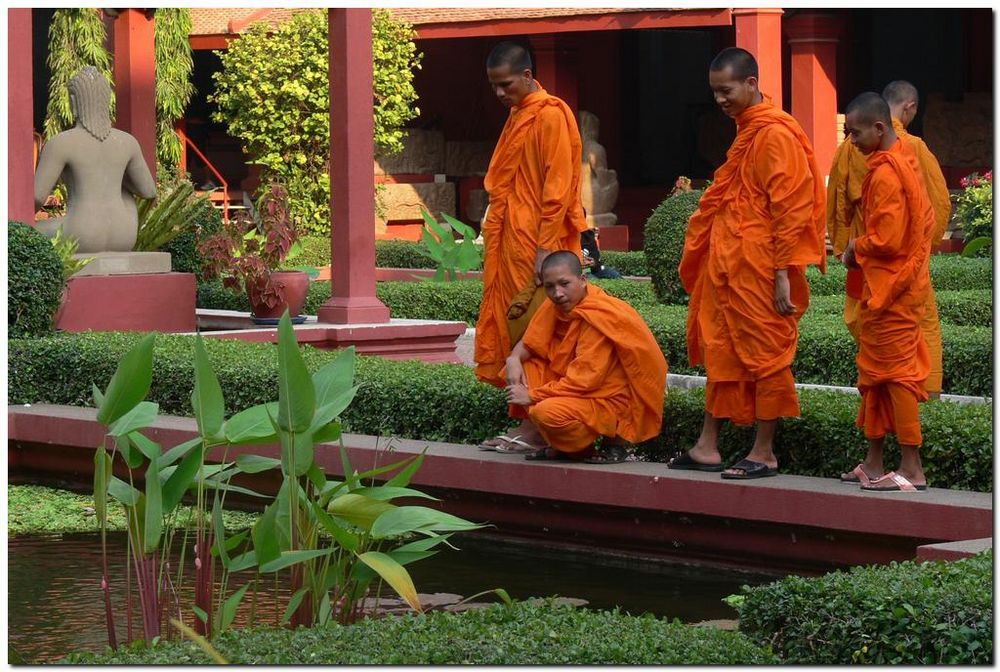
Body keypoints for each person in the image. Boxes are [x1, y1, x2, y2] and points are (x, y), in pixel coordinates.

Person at [667, 47, 826, 479]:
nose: (720, 99)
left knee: (766, 356)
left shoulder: (774, 133)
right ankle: (707, 444)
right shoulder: (747, 130)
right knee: (722, 349)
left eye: (726, 90)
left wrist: (781, 276)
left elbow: (789, 208)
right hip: (730, 265)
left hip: (759, 267)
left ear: (751, 84)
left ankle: (765, 450)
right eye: (715, 92)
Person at [475, 42, 589, 450]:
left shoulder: (550, 115)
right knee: (515, 329)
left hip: (539, 246)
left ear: (527, 76)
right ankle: (527, 419)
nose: (500, 93)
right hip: (511, 241)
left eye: (505, 84)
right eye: (493, 86)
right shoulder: (518, 115)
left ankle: (540, 427)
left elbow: (556, 187)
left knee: (541, 334)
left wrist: (544, 251)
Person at [827, 80, 951, 400]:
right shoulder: (915, 148)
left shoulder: (846, 150)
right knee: (920, 324)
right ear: (909, 108)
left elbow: (837, 203)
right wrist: (924, 248)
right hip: (904, 260)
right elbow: (938, 204)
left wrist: (845, 250)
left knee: (868, 324)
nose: (854, 140)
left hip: (864, 258)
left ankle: (881, 392)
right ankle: (925, 392)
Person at [838, 93, 935, 492]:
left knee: (896, 376)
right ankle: (873, 461)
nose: (851, 142)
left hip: (893, 289)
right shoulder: (898, 162)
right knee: (874, 376)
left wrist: (855, 247)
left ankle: (912, 466)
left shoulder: (888, 172)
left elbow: (889, 238)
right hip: (884, 288)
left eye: (854, 133)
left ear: (879, 128)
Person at [498, 251, 667, 463]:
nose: (557, 293)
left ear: (583, 280)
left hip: (605, 397)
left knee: (546, 413)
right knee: (523, 367)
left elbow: (584, 381)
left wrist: (531, 395)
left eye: (564, 284)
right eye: (550, 287)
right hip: (574, 388)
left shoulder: (598, 314)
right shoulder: (555, 306)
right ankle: (571, 448)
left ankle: (615, 440)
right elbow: (532, 342)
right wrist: (513, 359)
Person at [34, 66, 156, 252]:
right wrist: (120, 181)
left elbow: (36, 196)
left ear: (74, 101)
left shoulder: (61, 143)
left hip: (80, 233)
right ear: (106, 101)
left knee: (29, 231)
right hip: (124, 235)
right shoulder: (127, 142)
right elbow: (148, 191)